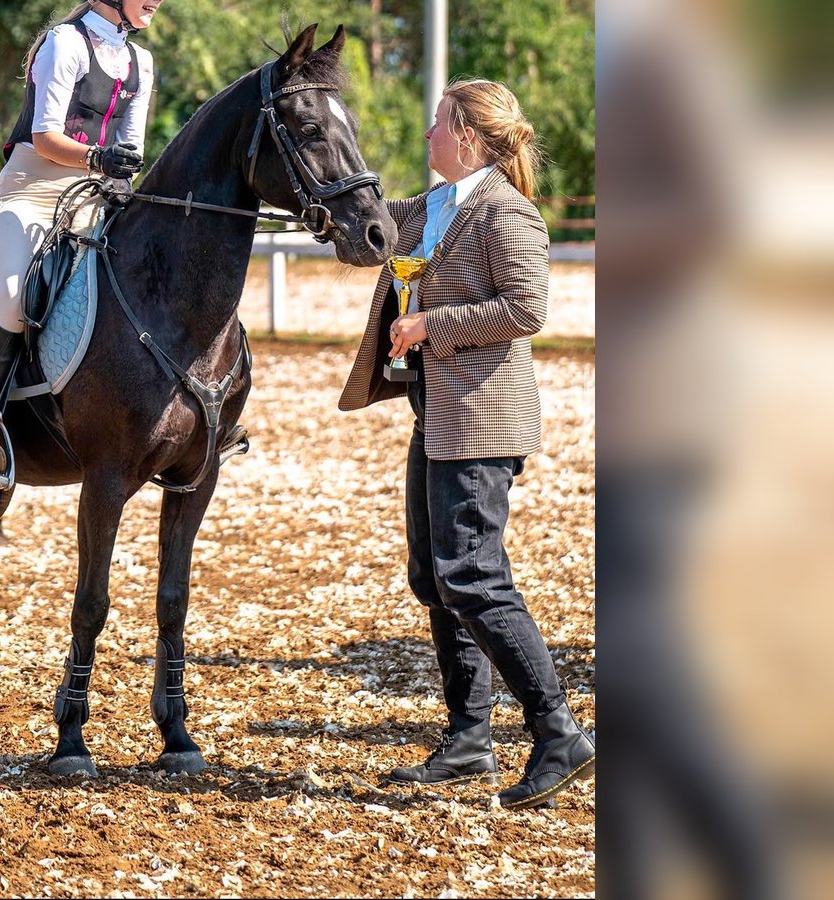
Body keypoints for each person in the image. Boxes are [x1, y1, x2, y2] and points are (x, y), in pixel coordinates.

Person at [338, 79, 595, 809]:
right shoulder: (435, 206)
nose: (426, 137)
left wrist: (429, 327)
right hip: (439, 414)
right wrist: (316, 186)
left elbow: (527, 308)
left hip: (482, 418)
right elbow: (370, 231)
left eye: (437, 125)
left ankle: (558, 732)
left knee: (473, 575)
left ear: (471, 139)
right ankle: (469, 741)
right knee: (435, 573)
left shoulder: (506, 213)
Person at [0, 0, 162, 492]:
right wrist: (98, 155)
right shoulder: (65, 43)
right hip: (31, 190)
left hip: (94, 193)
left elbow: (128, 151)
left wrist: (119, 172)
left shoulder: (142, 62)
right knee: (13, 296)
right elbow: (44, 135)